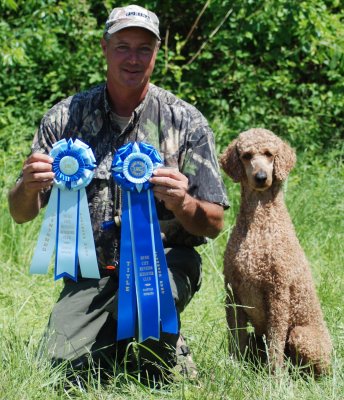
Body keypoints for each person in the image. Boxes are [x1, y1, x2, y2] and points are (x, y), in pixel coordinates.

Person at [8, 4, 229, 384]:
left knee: (153, 372)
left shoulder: (186, 121)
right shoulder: (65, 117)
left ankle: (157, 345)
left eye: (144, 48)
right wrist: (27, 186)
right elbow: (19, 213)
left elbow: (214, 223)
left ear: (157, 53)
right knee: (58, 370)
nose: (133, 58)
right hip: (89, 273)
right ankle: (122, 340)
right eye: (123, 45)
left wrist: (185, 203)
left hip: (164, 266)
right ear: (104, 47)